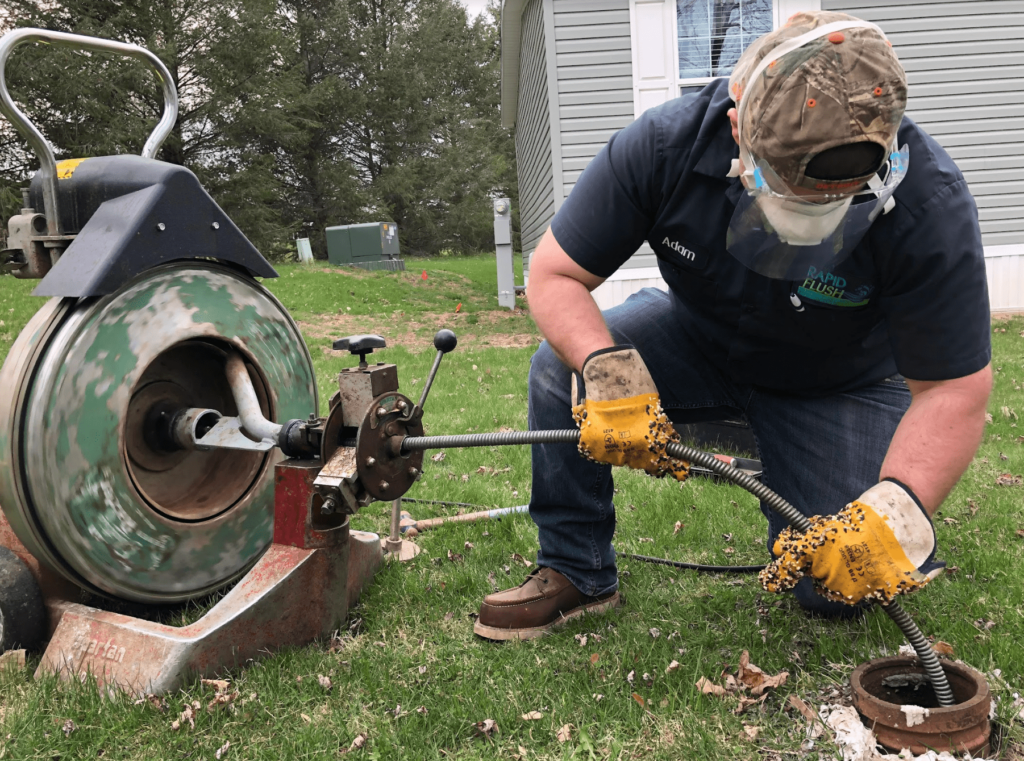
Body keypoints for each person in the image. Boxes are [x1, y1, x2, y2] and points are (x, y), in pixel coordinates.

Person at [472, 11, 992, 642]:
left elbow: (953, 391)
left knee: (833, 586)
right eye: (785, 191)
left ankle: (817, 472)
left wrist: (898, 510)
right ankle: (576, 569)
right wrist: (606, 369)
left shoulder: (928, 201)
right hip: (700, 337)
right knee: (561, 371)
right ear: (736, 120)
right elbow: (553, 275)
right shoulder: (665, 144)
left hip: (837, 382)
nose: (802, 222)